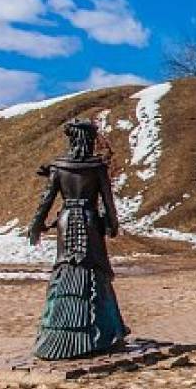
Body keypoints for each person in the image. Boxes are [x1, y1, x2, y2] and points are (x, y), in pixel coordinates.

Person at [28, 119, 129, 359]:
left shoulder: (59, 167)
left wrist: (36, 225)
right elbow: (107, 202)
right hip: (90, 222)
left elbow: (47, 199)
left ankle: (57, 333)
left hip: (66, 220)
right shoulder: (97, 167)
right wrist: (112, 225)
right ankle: (101, 332)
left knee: (66, 269)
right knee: (94, 273)